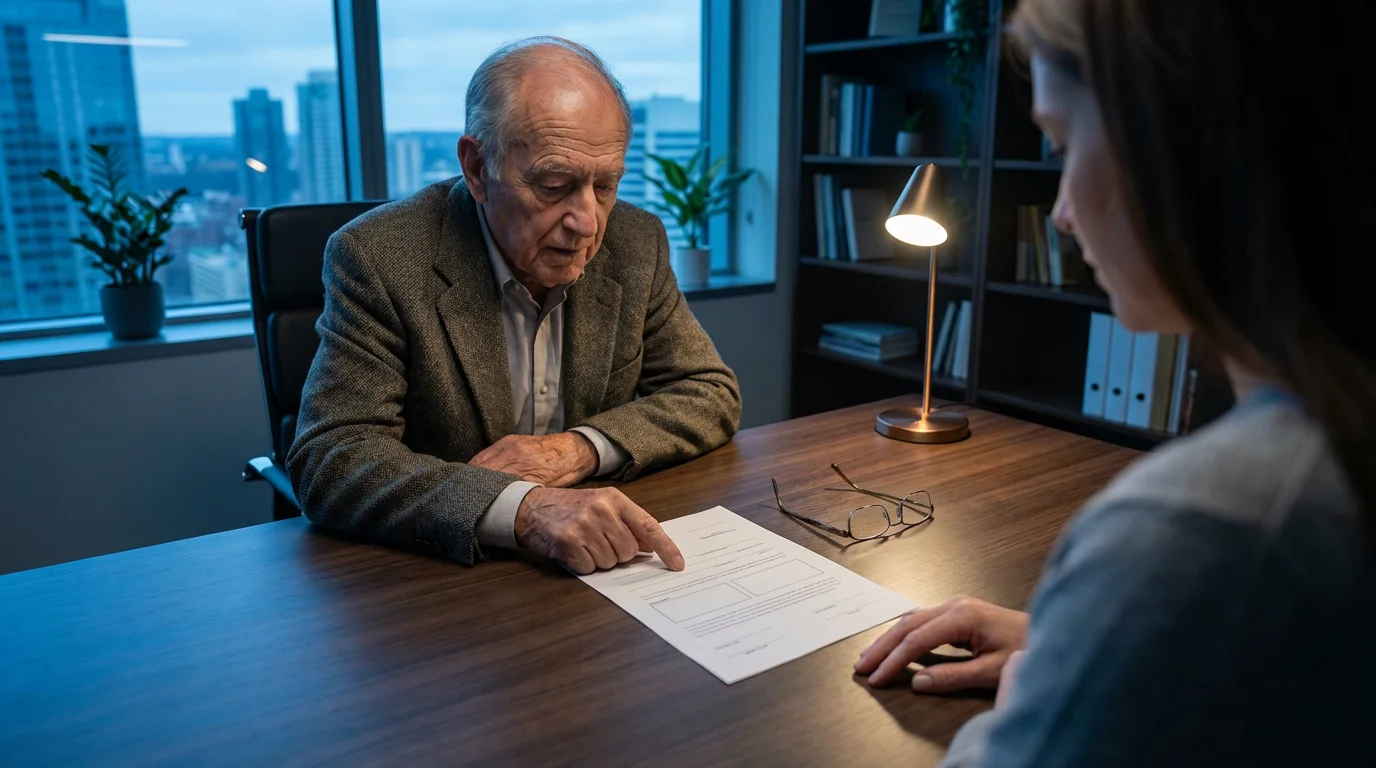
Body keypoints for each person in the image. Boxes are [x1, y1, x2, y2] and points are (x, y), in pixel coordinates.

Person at [854, 1, 1376, 764]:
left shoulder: (1203, 528)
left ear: (1181, 149)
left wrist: (1050, 674)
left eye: (1064, 144)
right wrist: (1095, 644)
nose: (1061, 214)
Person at [287, 37, 742, 575]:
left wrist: (576, 450)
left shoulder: (636, 242)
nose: (587, 222)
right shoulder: (378, 256)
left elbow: (708, 391)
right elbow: (332, 456)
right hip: (444, 581)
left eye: (606, 185)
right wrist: (520, 508)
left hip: (605, 565)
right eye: (555, 185)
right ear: (478, 168)